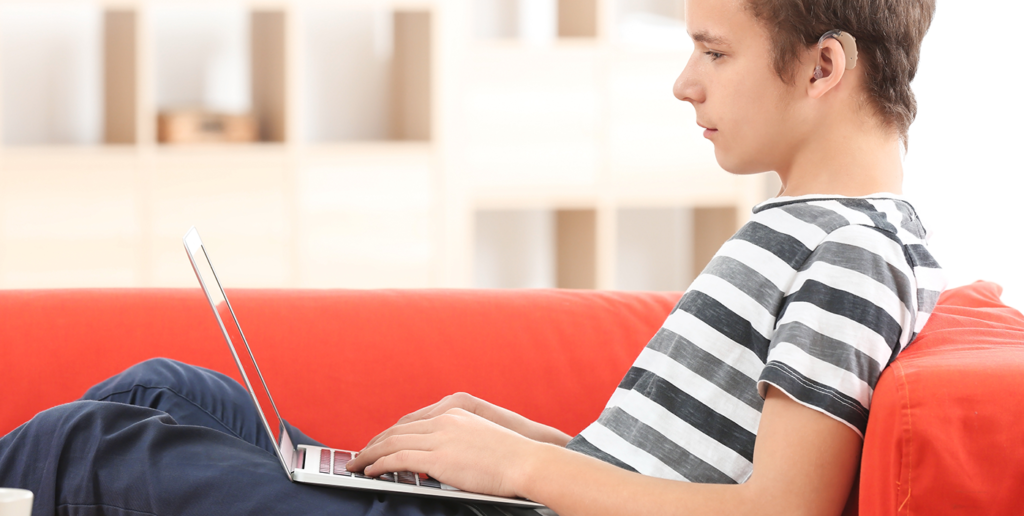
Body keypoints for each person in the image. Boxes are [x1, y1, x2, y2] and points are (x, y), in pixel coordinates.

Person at [0, 0, 942, 514]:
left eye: (713, 50)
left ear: (823, 67)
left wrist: (518, 469)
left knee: (85, 448)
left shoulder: (851, 251)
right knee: (166, 389)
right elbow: (681, 475)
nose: (683, 81)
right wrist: (524, 437)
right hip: (510, 505)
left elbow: (783, 513)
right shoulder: (816, 225)